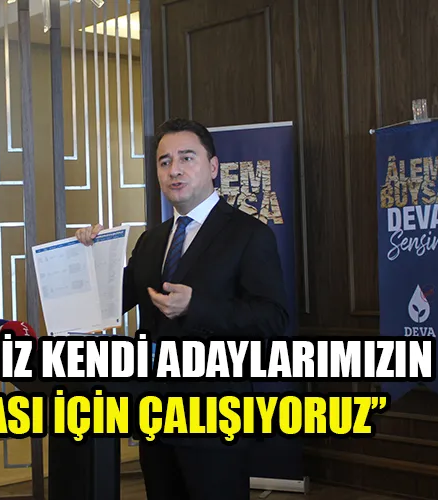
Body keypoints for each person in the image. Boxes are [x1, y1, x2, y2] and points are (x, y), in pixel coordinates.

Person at [76, 118, 289, 499]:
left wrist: (196, 306)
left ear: (213, 166)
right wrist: (92, 257)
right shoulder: (151, 240)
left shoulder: (249, 234)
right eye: (164, 161)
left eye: (187, 158)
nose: (174, 169)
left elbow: (273, 319)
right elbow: (109, 303)